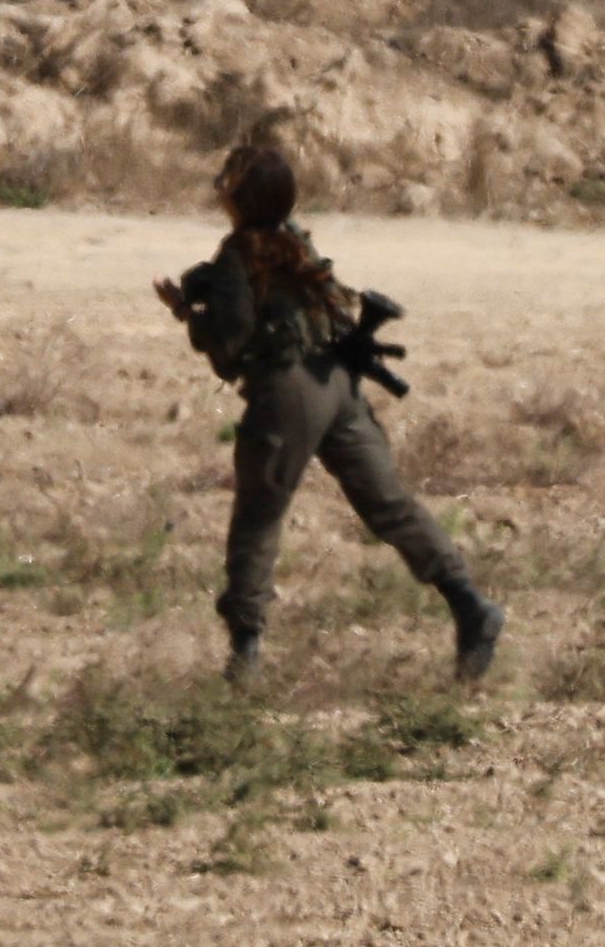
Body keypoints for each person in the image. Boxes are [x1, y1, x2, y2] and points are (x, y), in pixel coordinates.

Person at [156, 140, 505, 688]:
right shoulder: (296, 240)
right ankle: (469, 604)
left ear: (244, 198)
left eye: (229, 181)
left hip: (288, 391)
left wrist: (188, 313)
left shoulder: (238, 257)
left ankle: (245, 654)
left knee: (259, 514)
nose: (220, 188)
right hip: (339, 384)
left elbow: (230, 346)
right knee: (389, 504)